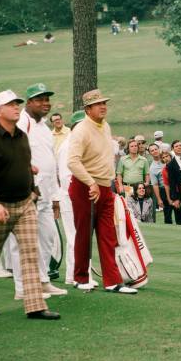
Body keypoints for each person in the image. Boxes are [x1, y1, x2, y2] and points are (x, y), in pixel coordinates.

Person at [0, 89, 60, 319]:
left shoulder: (22, 136)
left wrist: (33, 191)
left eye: (17, 104)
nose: (16, 107)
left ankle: (35, 306)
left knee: (31, 253)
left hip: (24, 204)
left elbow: (26, 165)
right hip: (0, 207)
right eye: (11, 104)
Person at [67, 89, 137, 294]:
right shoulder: (81, 130)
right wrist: (91, 183)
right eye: (98, 104)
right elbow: (72, 161)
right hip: (85, 187)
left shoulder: (105, 126)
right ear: (88, 109)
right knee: (84, 233)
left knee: (108, 235)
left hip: (105, 187)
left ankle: (112, 281)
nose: (103, 106)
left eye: (104, 103)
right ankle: (80, 278)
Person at [16, 83, 67, 297]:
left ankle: (43, 279)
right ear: (29, 103)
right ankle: (23, 288)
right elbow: (17, 155)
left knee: (47, 237)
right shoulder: (22, 122)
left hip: (46, 193)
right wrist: (29, 186)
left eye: (47, 99)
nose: (45, 103)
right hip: (28, 192)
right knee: (23, 243)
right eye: (39, 100)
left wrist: (55, 196)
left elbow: (51, 162)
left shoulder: (45, 127)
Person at [57, 110, 97, 286]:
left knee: (78, 235)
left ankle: (75, 275)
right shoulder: (70, 144)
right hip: (71, 196)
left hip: (72, 195)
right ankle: (79, 275)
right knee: (76, 236)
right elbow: (67, 176)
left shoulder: (74, 142)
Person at [148, 143, 172, 223]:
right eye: (152, 151)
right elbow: (155, 185)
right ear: (150, 153)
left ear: (159, 149)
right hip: (163, 190)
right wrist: (159, 199)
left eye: (155, 149)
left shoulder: (167, 157)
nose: (154, 151)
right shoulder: (152, 168)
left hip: (174, 187)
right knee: (168, 214)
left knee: (179, 211)